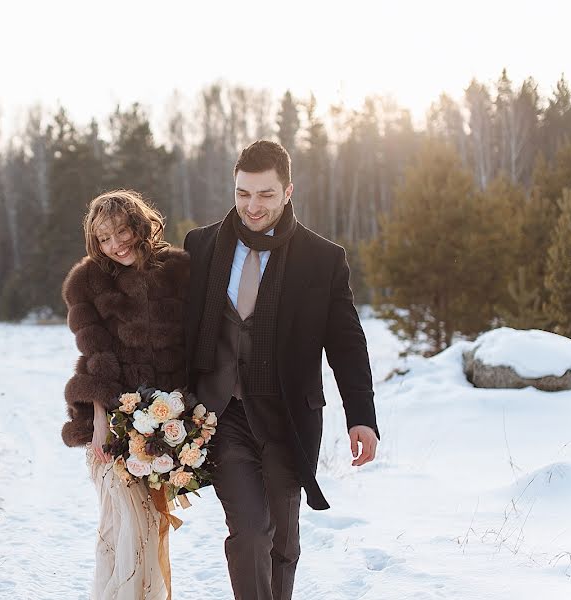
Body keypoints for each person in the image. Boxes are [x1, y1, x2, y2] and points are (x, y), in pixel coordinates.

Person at [183, 140, 380, 600]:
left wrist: (362, 417)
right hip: (221, 414)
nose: (253, 207)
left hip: (287, 418)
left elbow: (348, 344)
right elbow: (174, 328)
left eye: (266, 195)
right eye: (243, 193)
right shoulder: (202, 245)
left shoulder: (323, 259)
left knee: (283, 541)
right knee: (251, 530)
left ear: (288, 191)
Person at [60, 189, 190, 600]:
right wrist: (100, 418)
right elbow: (96, 355)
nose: (114, 245)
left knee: (150, 527)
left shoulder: (178, 272)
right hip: (110, 422)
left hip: (163, 424)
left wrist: (185, 418)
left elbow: (194, 346)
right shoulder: (89, 282)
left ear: (139, 226)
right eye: (103, 238)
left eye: (121, 232)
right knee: (124, 528)